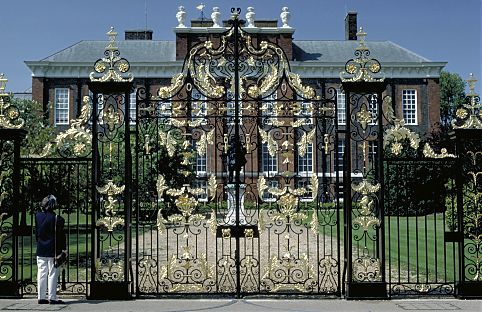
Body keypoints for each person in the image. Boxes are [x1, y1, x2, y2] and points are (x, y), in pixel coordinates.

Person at [35, 194, 66, 304]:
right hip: (53, 250)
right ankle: (52, 297)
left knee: (41, 272)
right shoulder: (58, 219)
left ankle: (41, 297)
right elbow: (61, 237)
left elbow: (37, 234)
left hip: (41, 248)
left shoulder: (37, 216)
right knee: (52, 273)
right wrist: (63, 250)